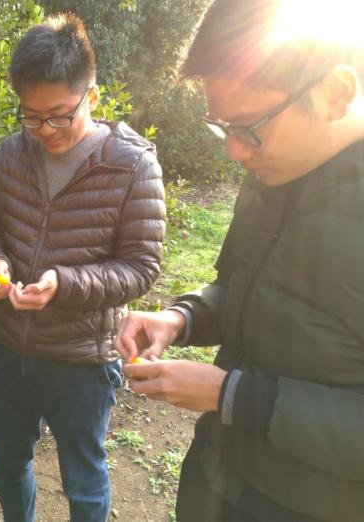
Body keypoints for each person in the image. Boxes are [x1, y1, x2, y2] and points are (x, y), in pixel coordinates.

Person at [115, 0, 364, 520]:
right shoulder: (272, 174)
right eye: (222, 126)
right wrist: (178, 318)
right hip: (214, 479)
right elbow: (238, 288)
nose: (233, 151)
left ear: (336, 92)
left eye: (248, 126)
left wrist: (231, 395)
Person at [0, 13, 165, 522]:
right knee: (6, 459)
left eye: (59, 116)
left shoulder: (133, 165)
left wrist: (65, 284)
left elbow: (141, 267)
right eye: (31, 117)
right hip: (9, 345)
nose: (45, 131)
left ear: (91, 96)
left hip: (82, 355)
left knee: (84, 476)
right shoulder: (11, 154)